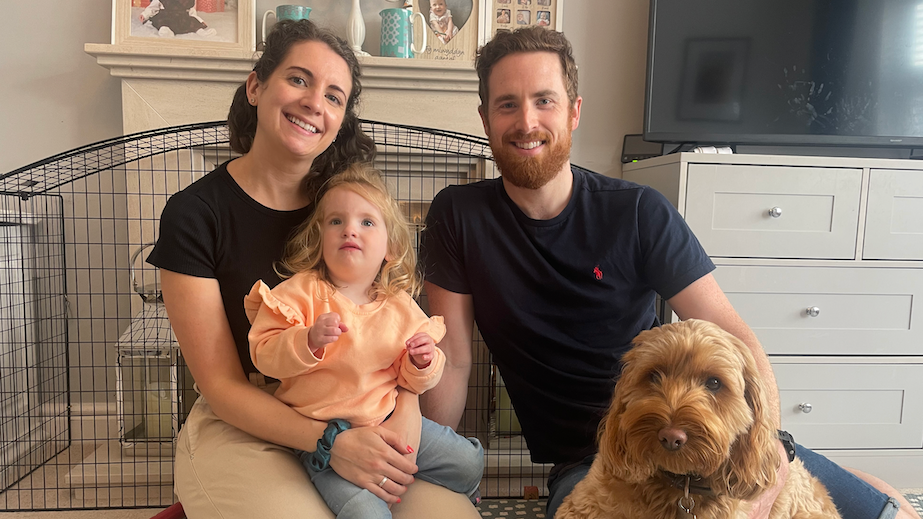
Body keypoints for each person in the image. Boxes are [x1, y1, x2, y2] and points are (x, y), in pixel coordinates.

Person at [419, 26, 919, 519]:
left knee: (886, 511)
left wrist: (775, 449)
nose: (526, 121)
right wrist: (427, 465)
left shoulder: (637, 212)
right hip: (595, 459)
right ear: (485, 117)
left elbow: (735, 341)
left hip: (704, 441)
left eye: (544, 101)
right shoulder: (459, 217)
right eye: (507, 104)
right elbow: (453, 360)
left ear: (574, 111)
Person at [147, 19, 481, 519]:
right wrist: (332, 442)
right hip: (245, 419)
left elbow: (394, 328)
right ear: (257, 86)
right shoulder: (195, 214)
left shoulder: (346, 210)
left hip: (368, 408)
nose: (314, 103)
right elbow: (221, 385)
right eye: (299, 79)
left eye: (334, 95)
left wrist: (405, 413)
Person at [245, 164, 484, 517]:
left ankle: (441, 488)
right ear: (320, 237)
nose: (350, 230)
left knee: (468, 462)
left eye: (367, 222)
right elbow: (263, 354)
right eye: (336, 221)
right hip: (325, 439)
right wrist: (305, 341)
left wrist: (423, 362)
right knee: (364, 512)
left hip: (388, 420)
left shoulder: (398, 304)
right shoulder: (302, 292)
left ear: (390, 248)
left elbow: (415, 379)